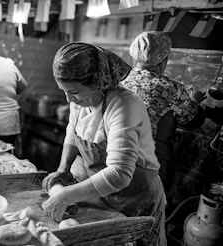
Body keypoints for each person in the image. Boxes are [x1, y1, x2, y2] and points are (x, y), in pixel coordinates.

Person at [42, 42, 167, 246]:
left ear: (98, 82)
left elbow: (119, 174)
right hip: (103, 195)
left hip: (134, 199)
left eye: (74, 92)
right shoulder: (82, 102)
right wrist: (63, 169)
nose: (68, 99)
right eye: (64, 91)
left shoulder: (124, 106)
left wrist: (64, 196)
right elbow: (72, 135)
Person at [121, 31, 205, 201]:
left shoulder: (121, 81)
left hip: (116, 153)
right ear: (164, 60)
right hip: (149, 160)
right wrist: (194, 101)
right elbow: (192, 119)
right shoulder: (171, 88)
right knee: (149, 207)